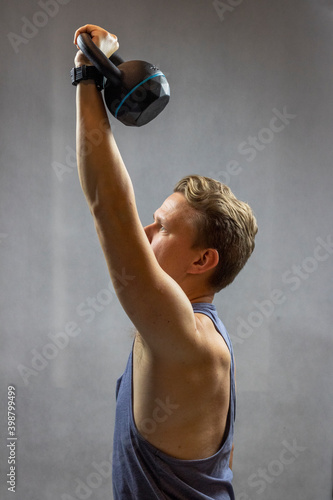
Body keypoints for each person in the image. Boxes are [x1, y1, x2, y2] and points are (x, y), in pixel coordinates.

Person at [73, 24, 258, 500]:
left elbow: (108, 206)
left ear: (203, 260)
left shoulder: (186, 341)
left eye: (162, 225)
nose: (146, 231)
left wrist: (86, 76)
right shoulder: (201, 341)